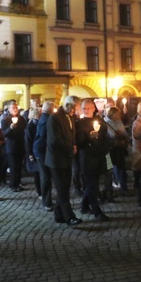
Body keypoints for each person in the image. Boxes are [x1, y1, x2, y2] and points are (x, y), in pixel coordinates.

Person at [46, 95, 82, 227]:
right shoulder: (54, 118)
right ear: (67, 105)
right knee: (62, 189)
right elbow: (54, 140)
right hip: (56, 159)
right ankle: (69, 217)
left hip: (67, 157)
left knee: (65, 186)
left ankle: (59, 214)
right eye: (74, 108)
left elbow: (71, 135)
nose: (74, 111)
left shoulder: (71, 116)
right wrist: (70, 147)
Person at [76, 99, 109, 221]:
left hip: (99, 156)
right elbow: (78, 142)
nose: (87, 111)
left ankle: (84, 205)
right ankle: (96, 211)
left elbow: (105, 137)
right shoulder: (79, 123)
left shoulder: (100, 121)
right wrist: (89, 139)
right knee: (92, 185)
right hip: (87, 158)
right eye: (84, 108)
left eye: (89, 108)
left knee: (93, 183)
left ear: (94, 108)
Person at [0, 101, 27, 192]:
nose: (15, 109)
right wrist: (10, 128)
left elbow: (24, 130)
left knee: (19, 166)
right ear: (9, 109)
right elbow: (3, 134)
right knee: (13, 166)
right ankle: (13, 185)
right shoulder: (5, 120)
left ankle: (18, 183)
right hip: (11, 146)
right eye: (13, 108)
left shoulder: (21, 119)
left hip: (20, 145)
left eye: (16, 107)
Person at [34, 101, 54, 211]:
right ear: (51, 109)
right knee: (45, 177)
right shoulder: (45, 119)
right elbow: (43, 135)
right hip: (41, 151)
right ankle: (46, 202)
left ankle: (47, 199)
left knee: (46, 176)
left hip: (42, 151)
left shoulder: (45, 118)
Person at [104, 106, 130, 192]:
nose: (119, 116)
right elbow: (106, 137)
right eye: (117, 114)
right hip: (110, 150)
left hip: (119, 149)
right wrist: (115, 139)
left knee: (122, 168)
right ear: (111, 114)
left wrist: (123, 136)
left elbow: (124, 133)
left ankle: (123, 187)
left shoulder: (119, 122)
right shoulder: (105, 123)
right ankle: (109, 190)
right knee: (109, 170)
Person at [24, 107, 42, 198]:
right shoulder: (30, 126)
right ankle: (39, 192)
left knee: (40, 172)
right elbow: (28, 141)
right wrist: (30, 153)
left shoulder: (39, 124)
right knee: (37, 173)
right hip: (33, 151)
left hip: (38, 150)